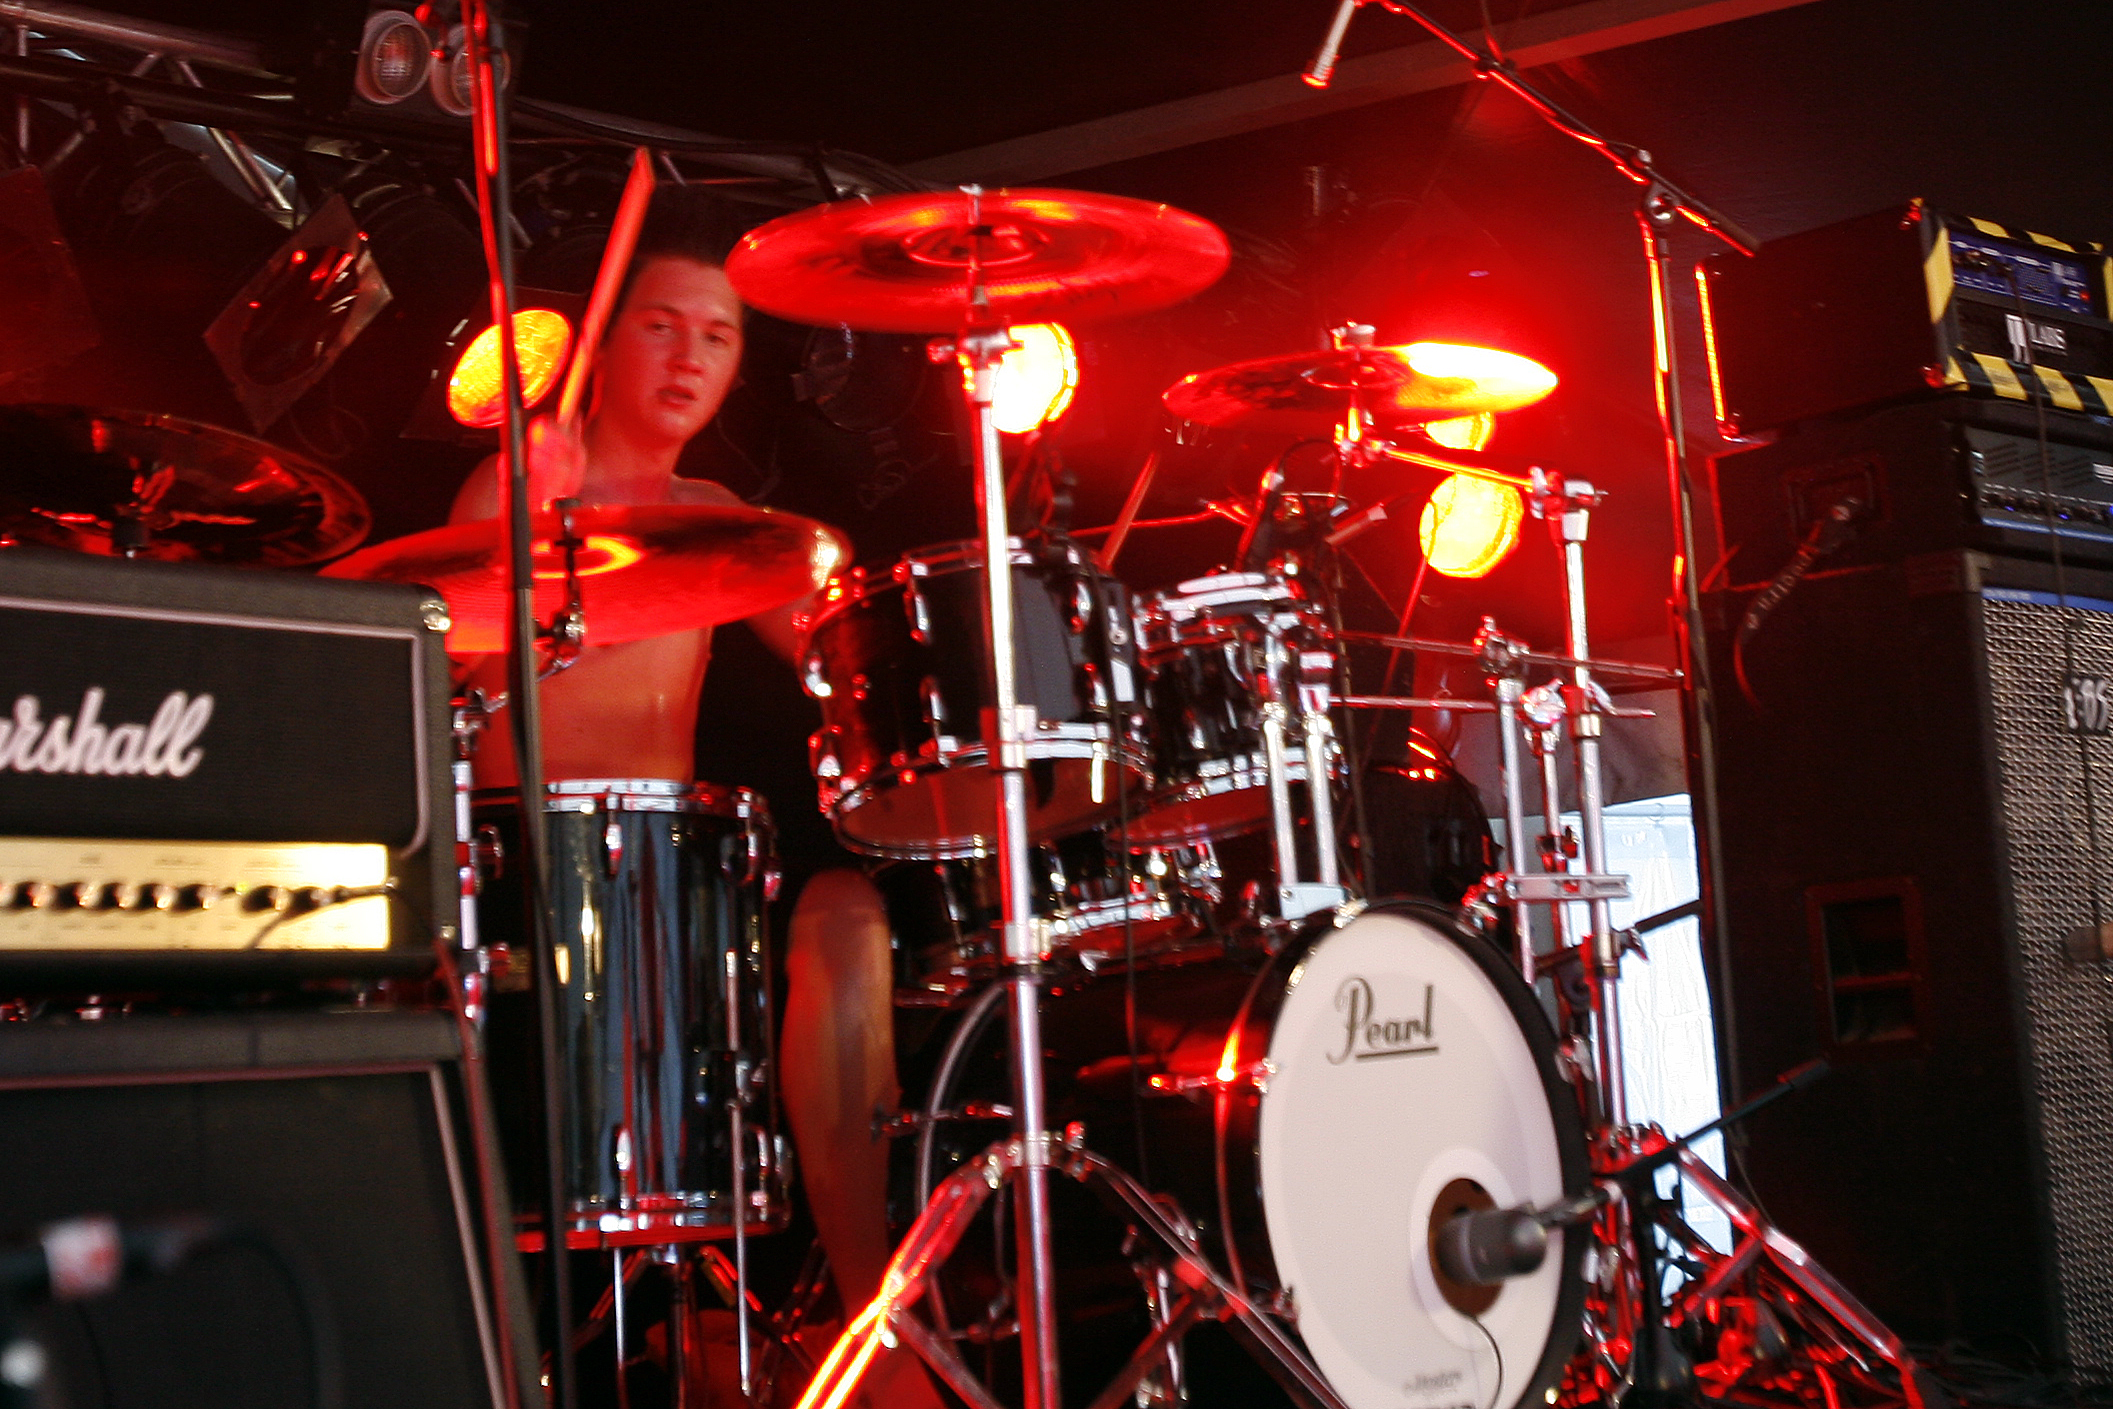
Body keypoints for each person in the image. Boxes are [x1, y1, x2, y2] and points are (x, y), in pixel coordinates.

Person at [451, 184, 931, 1409]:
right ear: (603, 348)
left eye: (716, 336)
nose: (687, 357)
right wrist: (531, 530)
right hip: (526, 884)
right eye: (661, 325)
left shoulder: (718, 523)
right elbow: (445, 680)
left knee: (845, 914)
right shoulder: (509, 492)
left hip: (671, 889)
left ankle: (874, 1322)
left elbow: (844, 648)